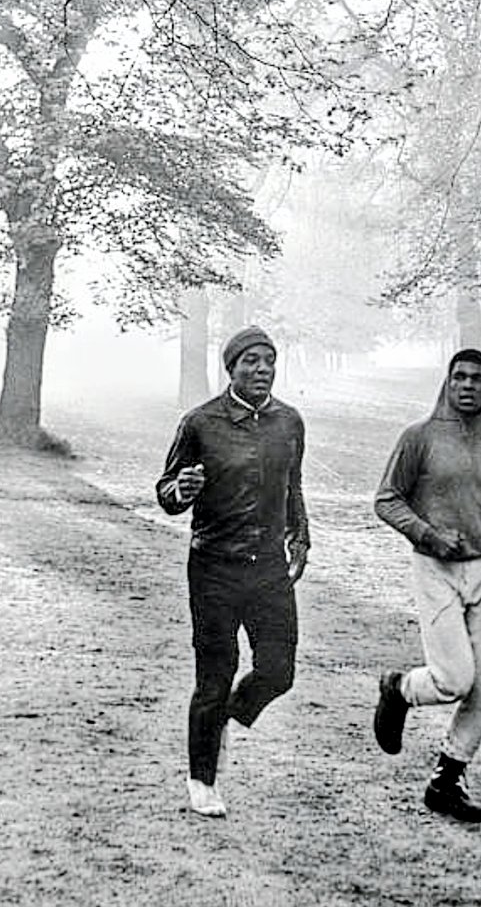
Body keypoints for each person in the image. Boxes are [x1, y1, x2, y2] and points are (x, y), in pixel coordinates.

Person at [372, 348, 481, 823]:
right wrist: (428, 533)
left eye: (478, 379)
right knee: (452, 679)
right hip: (435, 568)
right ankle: (398, 688)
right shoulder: (419, 438)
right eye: (459, 377)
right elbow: (387, 500)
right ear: (446, 382)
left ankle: (446, 780)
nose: (468, 386)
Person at [156, 325, 309, 818]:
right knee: (214, 675)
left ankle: (224, 717)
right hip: (214, 567)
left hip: (268, 569)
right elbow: (167, 493)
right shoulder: (200, 423)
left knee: (278, 671)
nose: (262, 369)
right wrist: (183, 488)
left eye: (268, 360)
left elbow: (294, 487)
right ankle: (202, 780)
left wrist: (300, 537)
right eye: (251, 361)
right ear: (232, 368)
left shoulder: (289, 422)